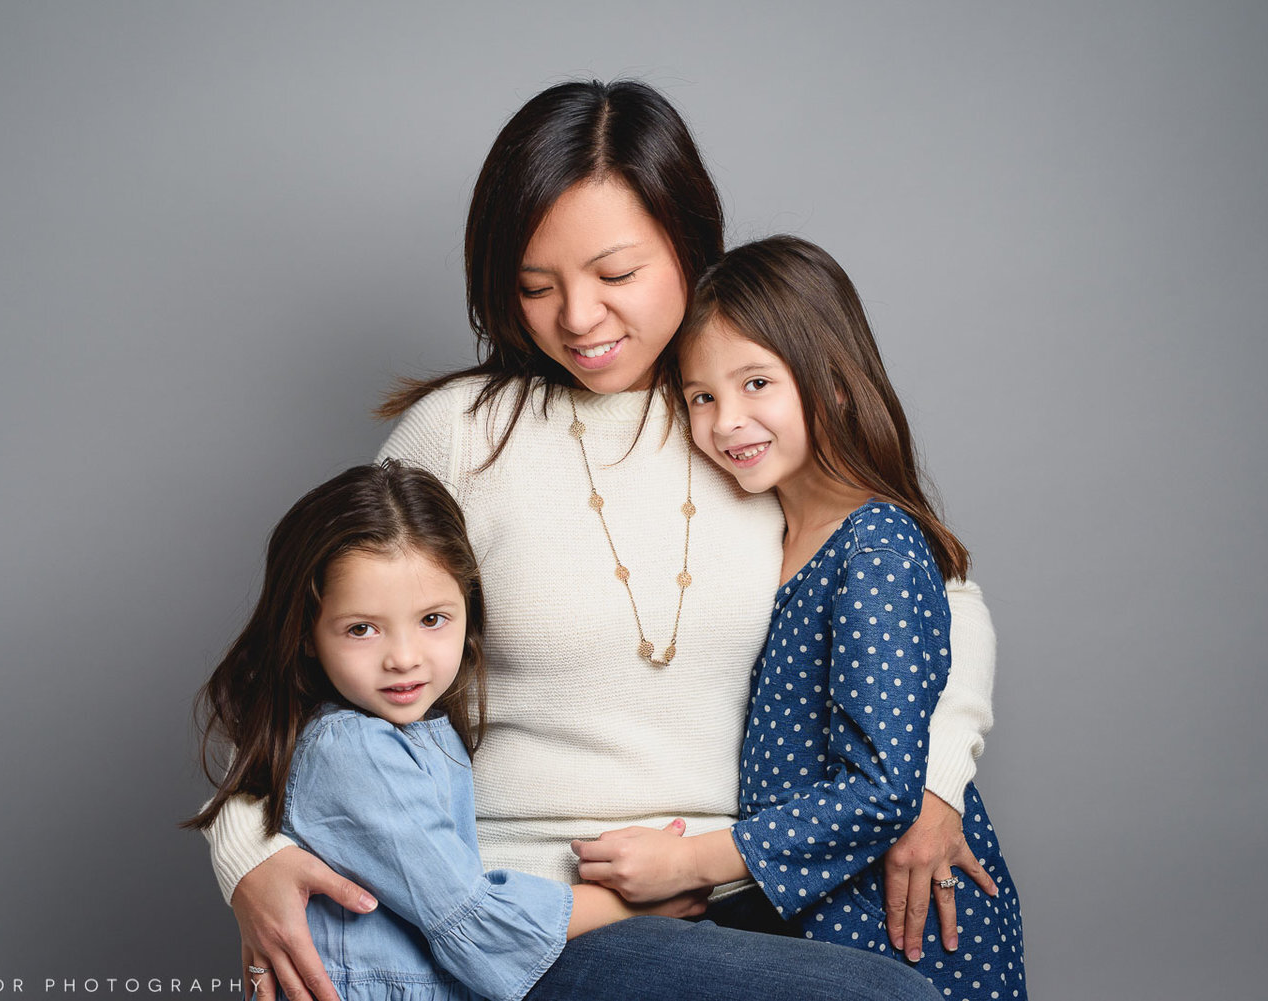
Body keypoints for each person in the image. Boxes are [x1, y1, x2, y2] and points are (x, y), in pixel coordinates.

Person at [202, 79, 997, 1001]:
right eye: (535, 286)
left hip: (756, 897)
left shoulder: (737, 418)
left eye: (616, 276)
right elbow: (290, 663)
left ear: (690, 249)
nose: (577, 319)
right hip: (533, 918)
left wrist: (934, 781)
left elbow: (939, 594)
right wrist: (249, 862)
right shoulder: (461, 432)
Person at [572, 235, 1025, 999]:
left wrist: (689, 862)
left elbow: (883, 786)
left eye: (756, 383)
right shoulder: (764, 531)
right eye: (701, 397)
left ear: (835, 383)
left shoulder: (874, 541)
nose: (726, 422)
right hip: (801, 919)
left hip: (895, 924)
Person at [186, 462, 711, 1001]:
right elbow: (475, 922)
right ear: (305, 636)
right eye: (361, 629)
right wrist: (639, 901)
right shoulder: (351, 749)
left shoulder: (419, 733)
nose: (404, 659)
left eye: (433, 619)